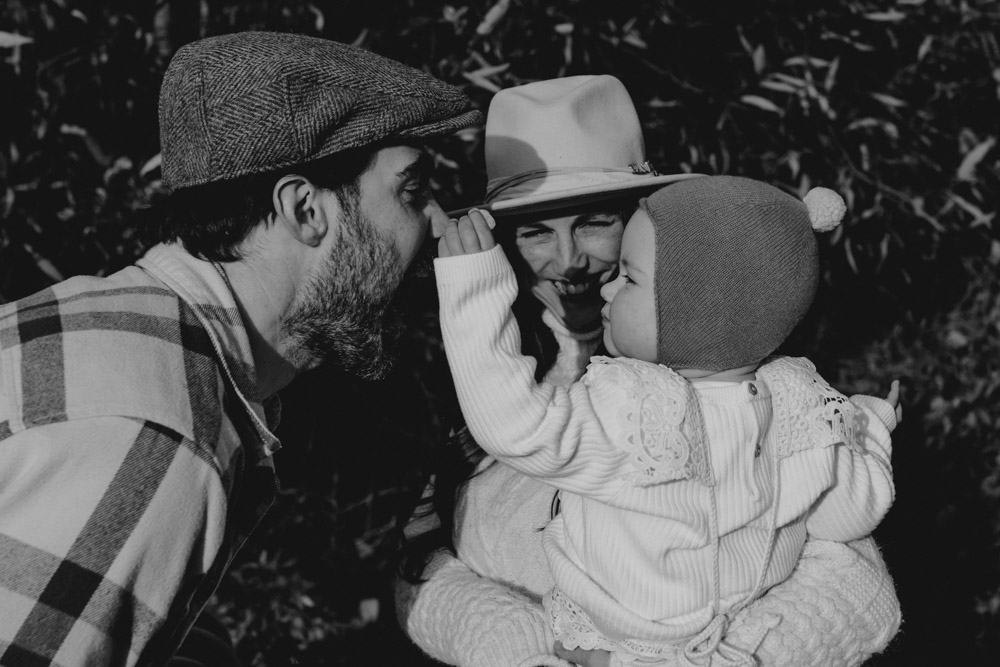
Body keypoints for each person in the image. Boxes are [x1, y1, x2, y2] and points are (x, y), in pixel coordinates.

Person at [0, 31, 479, 666]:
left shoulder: (111, 326)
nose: (440, 222)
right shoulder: (160, 431)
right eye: (412, 191)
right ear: (305, 209)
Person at [396, 75, 901, 667]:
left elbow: (855, 580)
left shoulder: (746, 374)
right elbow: (418, 568)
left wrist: (724, 658)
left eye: (594, 223)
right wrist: (515, 646)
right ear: (503, 244)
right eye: (535, 232)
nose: (569, 261)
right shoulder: (453, 379)